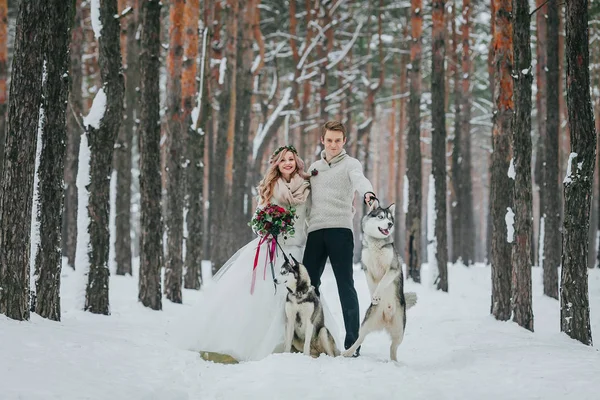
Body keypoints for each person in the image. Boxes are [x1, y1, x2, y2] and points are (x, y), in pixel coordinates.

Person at [183, 146, 338, 361]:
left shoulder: (306, 187)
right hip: (270, 250)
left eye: (291, 159)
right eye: (283, 160)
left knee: (298, 297)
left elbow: (313, 217)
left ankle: (299, 343)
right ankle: (260, 344)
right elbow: (257, 219)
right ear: (277, 163)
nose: (287, 163)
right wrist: (267, 225)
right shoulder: (270, 187)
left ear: (297, 162)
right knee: (266, 295)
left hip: (295, 253)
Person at [303, 120, 376, 357]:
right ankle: (309, 337)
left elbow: (360, 181)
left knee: (346, 286)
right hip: (315, 231)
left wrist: (368, 194)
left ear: (344, 141)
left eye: (338, 140)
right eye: (329, 140)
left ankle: (352, 343)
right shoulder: (314, 167)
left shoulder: (350, 164)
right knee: (308, 287)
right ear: (322, 140)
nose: (333, 145)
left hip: (340, 231)